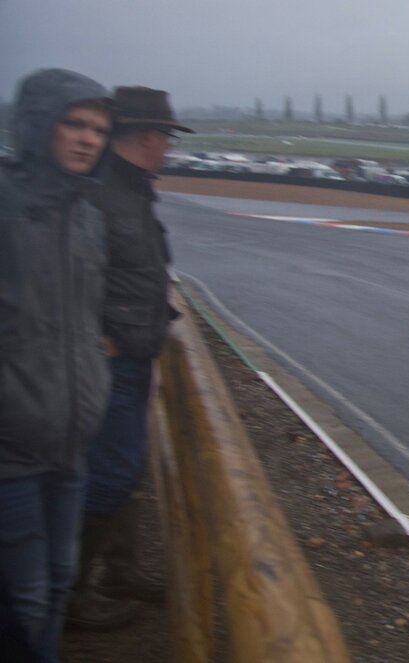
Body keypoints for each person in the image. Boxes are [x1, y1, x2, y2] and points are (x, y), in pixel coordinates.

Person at [66, 87, 193, 629]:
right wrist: (101, 339)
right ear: (147, 137)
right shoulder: (100, 193)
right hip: (109, 362)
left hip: (132, 356)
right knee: (109, 474)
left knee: (123, 468)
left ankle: (117, 570)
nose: (167, 146)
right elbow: (77, 274)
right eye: (164, 136)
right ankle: (71, 594)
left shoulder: (132, 190)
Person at [0, 69, 113, 662]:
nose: (88, 138)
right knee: (26, 600)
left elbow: (85, 322)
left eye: (98, 128)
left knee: (60, 583)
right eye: (75, 122)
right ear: (41, 123)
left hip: (70, 443)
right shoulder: (6, 204)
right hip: (10, 450)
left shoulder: (88, 214)